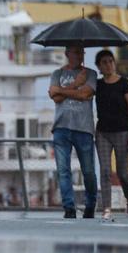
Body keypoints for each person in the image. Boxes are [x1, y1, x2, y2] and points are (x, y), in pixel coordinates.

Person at [48, 44, 98, 219]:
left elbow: (85, 95)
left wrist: (62, 91)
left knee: (89, 171)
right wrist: (76, 85)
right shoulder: (57, 74)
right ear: (67, 53)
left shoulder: (91, 74)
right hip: (61, 128)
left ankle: (90, 205)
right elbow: (54, 98)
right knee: (63, 170)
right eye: (76, 52)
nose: (80, 55)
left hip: (83, 128)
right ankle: (69, 207)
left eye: (82, 52)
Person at [94, 49, 128, 219]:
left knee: (122, 173)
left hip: (123, 132)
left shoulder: (124, 83)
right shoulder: (97, 85)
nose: (109, 64)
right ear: (99, 66)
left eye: (111, 61)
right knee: (105, 171)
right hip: (103, 133)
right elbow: (83, 93)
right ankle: (107, 208)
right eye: (104, 62)